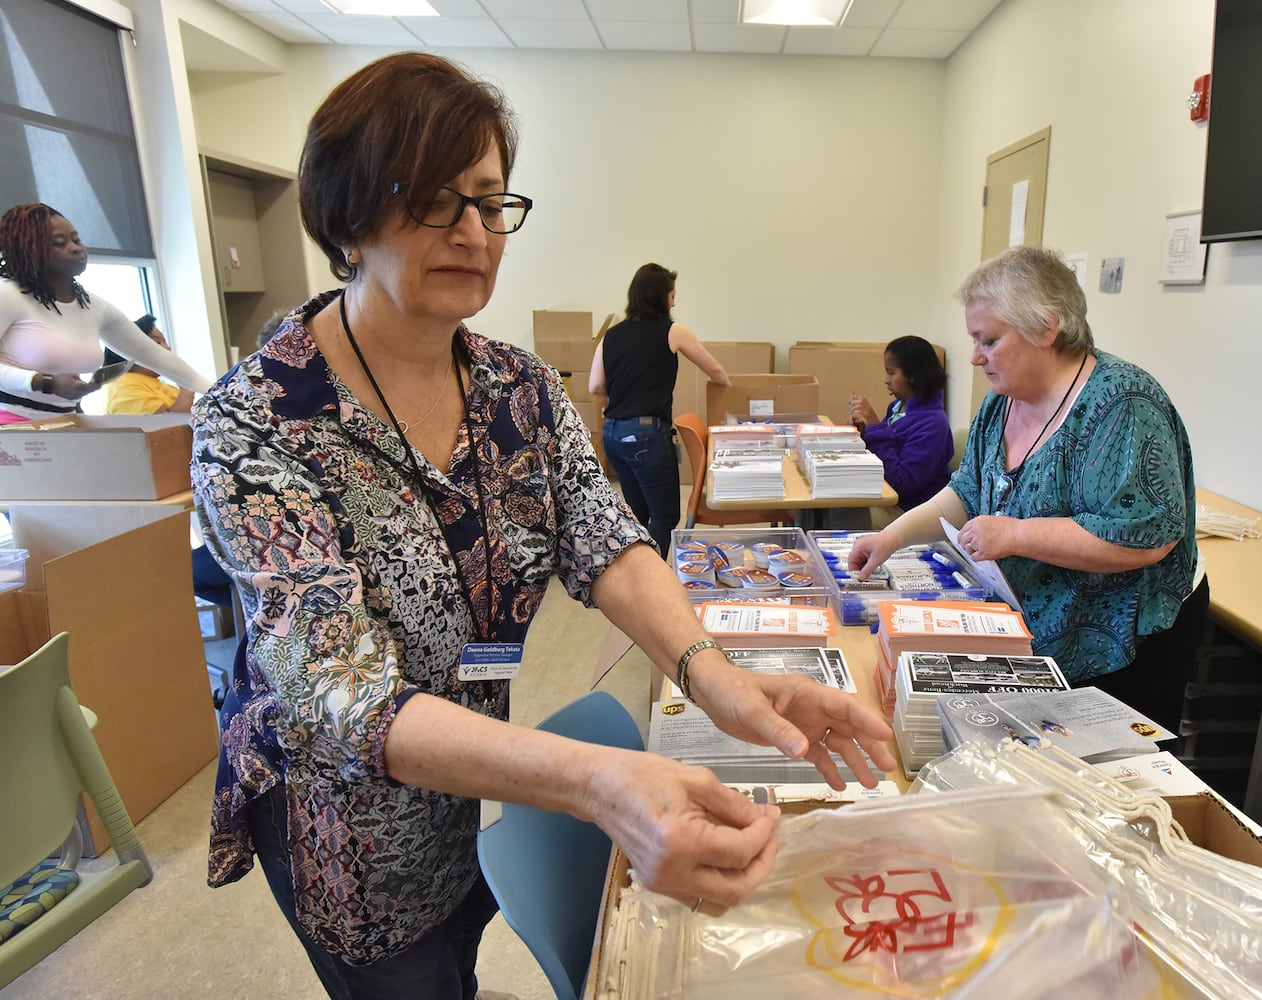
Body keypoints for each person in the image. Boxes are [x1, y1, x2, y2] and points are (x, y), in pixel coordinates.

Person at [191, 53, 894, 1000]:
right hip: (348, 828)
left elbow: (606, 541)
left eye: (491, 201)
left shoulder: (517, 388)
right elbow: (340, 693)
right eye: (437, 200)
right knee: (407, 982)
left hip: (483, 764)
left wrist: (718, 682)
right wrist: (600, 781)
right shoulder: (255, 420)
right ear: (350, 215)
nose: (475, 231)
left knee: (466, 947)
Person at [849, 246, 1205, 733]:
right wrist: (892, 538)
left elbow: (1142, 539)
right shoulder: (1002, 402)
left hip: (1128, 639)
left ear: (1045, 327)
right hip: (1040, 625)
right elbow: (967, 491)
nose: (975, 358)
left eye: (989, 340)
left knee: (1107, 772)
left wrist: (1016, 535)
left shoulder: (1123, 404)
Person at [0, 203, 211, 423]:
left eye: (76, 239)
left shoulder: (92, 306)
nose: (75, 248)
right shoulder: (8, 295)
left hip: (64, 423)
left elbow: (154, 356)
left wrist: (216, 391)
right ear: (27, 249)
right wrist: (44, 383)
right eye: (59, 243)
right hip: (10, 425)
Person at [590, 263, 730, 553]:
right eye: (672, 294)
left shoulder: (611, 335)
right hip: (646, 435)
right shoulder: (672, 331)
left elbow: (595, 387)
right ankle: (652, 584)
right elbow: (717, 372)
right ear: (661, 296)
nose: (675, 301)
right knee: (665, 515)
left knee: (638, 516)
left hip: (613, 435)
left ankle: (636, 579)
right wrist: (726, 384)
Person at [848, 334, 954, 512]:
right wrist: (863, 431)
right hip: (884, 494)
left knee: (840, 511)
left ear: (913, 375)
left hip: (909, 510)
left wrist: (876, 428)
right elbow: (884, 453)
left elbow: (901, 484)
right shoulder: (896, 408)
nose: (886, 380)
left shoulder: (934, 424)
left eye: (891, 372)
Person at [101, 316, 197, 414]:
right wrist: (188, 387)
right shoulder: (121, 386)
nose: (167, 348)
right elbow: (167, 425)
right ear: (129, 351)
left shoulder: (167, 387)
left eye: (165, 341)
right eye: (157, 342)